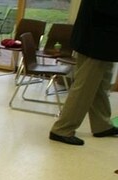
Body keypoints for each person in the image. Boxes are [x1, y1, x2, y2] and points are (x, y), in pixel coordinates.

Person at [48, 0, 118, 146]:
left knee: (100, 84)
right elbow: (104, 7)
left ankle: (102, 125)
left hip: (102, 38)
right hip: (97, 40)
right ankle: (62, 129)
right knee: (85, 86)